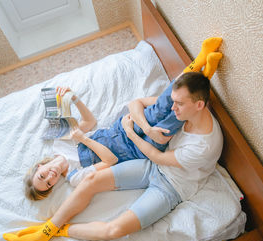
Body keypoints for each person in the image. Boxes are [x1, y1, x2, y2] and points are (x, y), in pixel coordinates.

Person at [3, 71, 224, 241]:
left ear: (199, 105)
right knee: (90, 180)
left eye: (179, 104)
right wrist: (144, 127)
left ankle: (57, 231)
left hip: (172, 186)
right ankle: (47, 230)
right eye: (173, 102)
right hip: (151, 165)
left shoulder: (203, 146)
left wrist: (130, 130)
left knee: (114, 229)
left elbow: (157, 156)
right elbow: (143, 104)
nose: (173, 108)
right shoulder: (182, 110)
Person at [27, 37, 223, 201]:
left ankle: (197, 63)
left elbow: (90, 123)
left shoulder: (59, 144)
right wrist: (84, 140)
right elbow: (110, 160)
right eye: (49, 184)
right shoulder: (75, 177)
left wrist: (75, 98)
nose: (50, 177)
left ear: (39, 166)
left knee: (160, 108)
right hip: (135, 150)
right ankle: (206, 75)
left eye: (42, 176)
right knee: (169, 122)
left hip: (120, 128)